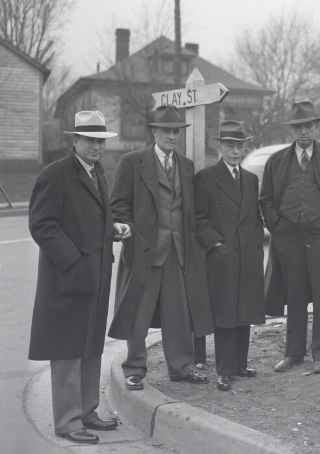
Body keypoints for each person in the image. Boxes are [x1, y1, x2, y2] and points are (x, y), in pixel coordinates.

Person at [28, 111, 126, 444]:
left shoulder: (98, 173)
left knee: (90, 346)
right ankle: (68, 422)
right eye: (90, 140)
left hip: (94, 278)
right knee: (68, 348)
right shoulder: (55, 174)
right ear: (75, 141)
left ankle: (87, 412)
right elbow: (42, 224)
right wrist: (73, 261)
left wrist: (112, 230)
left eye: (101, 140)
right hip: (68, 279)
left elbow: (89, 218)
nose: (97, 146)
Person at [109, 105, 214, 390]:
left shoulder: (186, 165)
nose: (172, 137)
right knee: (137, 313)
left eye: (176, 132)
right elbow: (118, 204)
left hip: (178, 251)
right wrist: (127, 229)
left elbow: (188, 210)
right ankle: (134, 369)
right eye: (166, 131)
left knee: (178, 314)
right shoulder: (132, 162)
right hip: (145, 252)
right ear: (154, 132)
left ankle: (181, 367)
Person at [260, 101, 320, 374]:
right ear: (292, 130)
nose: (304, 131)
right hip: (288, 235)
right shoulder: (277, 161)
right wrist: (277, 226)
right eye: (299, 126)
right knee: (295, 294)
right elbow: (265, 199)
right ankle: (293, 353)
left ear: (317, 127)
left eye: (309, 126)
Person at [194, 120, 266, 391]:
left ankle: (239, 364)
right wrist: (216, 245)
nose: (235, 151)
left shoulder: (250, 179)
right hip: (222, 258)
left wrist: (256, 240)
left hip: (247, 255)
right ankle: (223, 369)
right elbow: (199, 219)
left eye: (239, 146)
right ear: (220, 147)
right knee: (225, 313)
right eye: (230, 146)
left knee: (244, 310)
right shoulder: (206, 178)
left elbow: (256, 217)